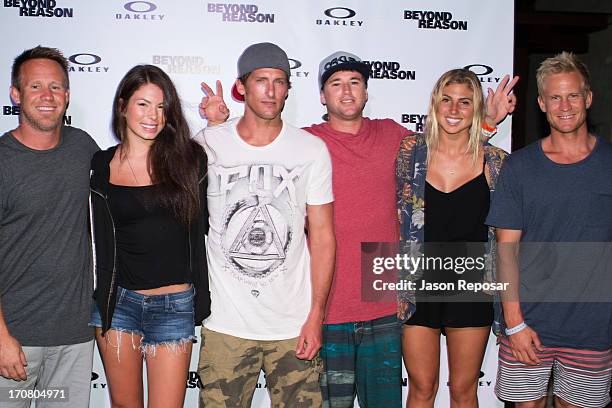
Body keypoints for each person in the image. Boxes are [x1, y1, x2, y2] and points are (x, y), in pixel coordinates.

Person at [201, 50, 517, 408]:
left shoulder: (398, 140)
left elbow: (450, 145)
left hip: (385, 306)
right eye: (336, 84)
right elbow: (249, 154)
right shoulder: (301, 144)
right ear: (322, 95)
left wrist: (486, 123)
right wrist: (216, 129)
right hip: (325, 310)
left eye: (355, 83)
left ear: (367, 92)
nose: (347, 92)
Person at [195, 42, 335, 407]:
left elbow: (322, 237)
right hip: (226, 325)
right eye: (261, 80)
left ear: (289, 87)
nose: (271, 91)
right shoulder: (208, 143)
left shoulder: (311, 149)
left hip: (293, 326)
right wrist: (211, 124)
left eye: (279, 81)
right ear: (241, 87)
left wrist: (316, 315)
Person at [486, 52, 612, 408]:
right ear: (542, 103)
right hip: (529, 324)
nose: (565, 105)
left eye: (573, 95)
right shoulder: (520, 167)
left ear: (588, 98)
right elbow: (505, 252)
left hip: (593, 328)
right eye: (555, 97)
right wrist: (514, 325)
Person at [88, 64, 210, 408]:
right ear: (122, 106)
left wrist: (218, 124)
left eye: (161, 107)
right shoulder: (99, 165)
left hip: (173, 305)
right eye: (143, 104)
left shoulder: (190, 160)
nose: (153, 116)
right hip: (118, 305)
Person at [397, 68, 511, 407]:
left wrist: (487, 129)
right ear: (434, 104)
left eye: (465, 102)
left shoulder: (496, 163)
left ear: (476, 108)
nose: (454, 110)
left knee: (463, 390)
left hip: (473, 288)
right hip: (419, 287)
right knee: (421, 388)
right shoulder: (410, 152)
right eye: (446, 100)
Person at [0, 46, 98, 408]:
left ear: (68, 96)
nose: (47, 97)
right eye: (35, 87)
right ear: (16, 94)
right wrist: (1, 337)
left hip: (74, 335)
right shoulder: (3, 160)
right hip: (14, 339)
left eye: (56, 87)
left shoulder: (83, 147)